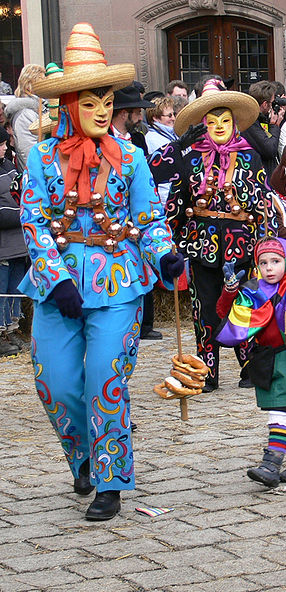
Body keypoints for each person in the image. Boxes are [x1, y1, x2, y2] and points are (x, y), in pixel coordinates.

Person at [18, 23, 183, 520]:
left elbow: (148, 218)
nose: (102, 111)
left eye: (107, 101)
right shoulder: (42, 157)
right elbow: (33, 219)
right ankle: (83, 458)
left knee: (104, 381)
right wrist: (56, 278)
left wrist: (165, 255)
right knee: (56, 382)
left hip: (118, 283)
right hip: (59, 287)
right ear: (69, 103)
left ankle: (110, 481)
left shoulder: (132, 158)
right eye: (90, 102)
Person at [152, 78, 277, 392]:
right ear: (202, 125)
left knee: (243, 305)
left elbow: (264, 201)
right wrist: (174, 243)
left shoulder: (249, 156)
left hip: (242, 244)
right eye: (211, 121)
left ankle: (249, 368)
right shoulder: (191, 158)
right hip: (201, 245)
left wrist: (266, 245)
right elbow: (170, 195)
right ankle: (207, 371)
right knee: (204, 309)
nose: (219, 126)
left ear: (234, 123)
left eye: (225, 120)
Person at [216, 237, 286, 488]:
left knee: (280, 411)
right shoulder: (252, 290)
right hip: (265, 357)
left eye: (276, 261)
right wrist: (231, 289)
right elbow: (227, 312)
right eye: (263, 262)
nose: (269, 268)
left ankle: (271, 463)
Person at [0, 125, 25, 357]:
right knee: (1, 289)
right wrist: (22, 214)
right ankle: (0, 334)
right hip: (2, 245)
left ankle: (11, 328)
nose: (5, 148)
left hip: (18, 244)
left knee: (14, 290)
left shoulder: (9, 166)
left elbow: (21, 193)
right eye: (1, 145)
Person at [5, 64, 45, 167]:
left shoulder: (38, 108)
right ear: (31, 84)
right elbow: (28, 153)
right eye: (42, 81)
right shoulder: (25, 114)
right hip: (37, 175)